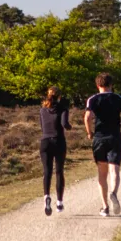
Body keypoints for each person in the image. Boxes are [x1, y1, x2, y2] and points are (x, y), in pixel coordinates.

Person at [84, 72, 121, 217]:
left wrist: (89, 132)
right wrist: (120, 127)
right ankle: (114, 193)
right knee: (114, 170)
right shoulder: (119, 99)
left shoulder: (92, 99)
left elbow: (87, 117)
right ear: (111, 85)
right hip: (114, 137)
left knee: (102, 173)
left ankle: (105, 207)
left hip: (99, 138)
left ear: (98, 85)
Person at [39, 85, 72, 216]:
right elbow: (64, 124)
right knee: (59, 171)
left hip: (45, 142)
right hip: (59, 141)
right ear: (59, 96)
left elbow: (42, 126)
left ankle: (46, 196)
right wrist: (69, 127)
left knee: (47, 171)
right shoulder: (63, 108)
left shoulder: (42, 110)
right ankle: (59, 202)